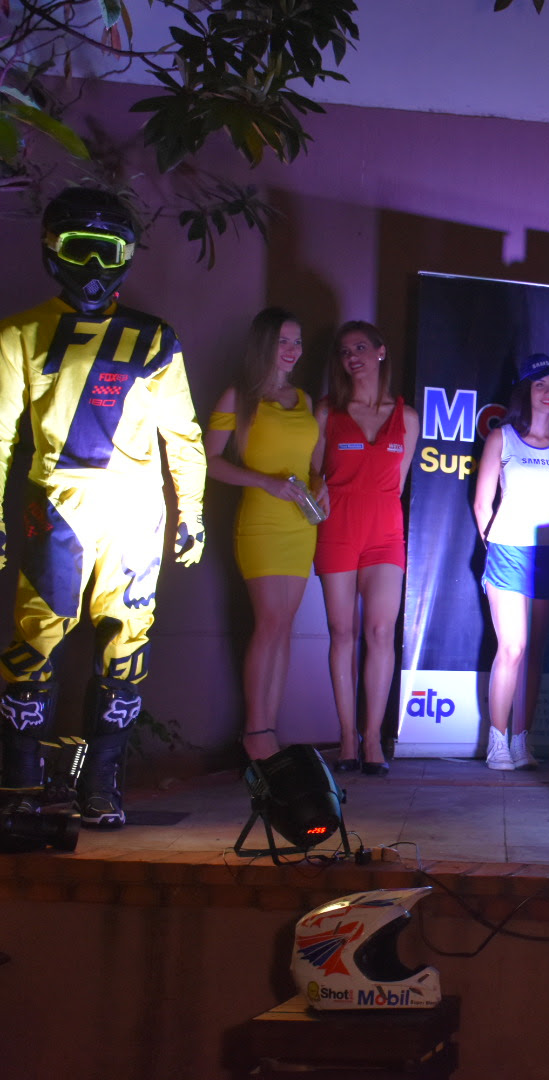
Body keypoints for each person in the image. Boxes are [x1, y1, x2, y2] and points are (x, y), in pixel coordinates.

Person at [0, 187, 207, 827]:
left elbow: (184, 434)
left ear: (126, 256)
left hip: (134, 513)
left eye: (106, 251)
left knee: (125, 646)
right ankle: (20, 785)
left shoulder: (156, 338)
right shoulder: (20, 334)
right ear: (51, 250)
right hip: (59, 507)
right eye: (78, 248)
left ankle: (100, 788)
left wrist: (192, 511)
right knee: (37, 641)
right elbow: (0, 432)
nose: (91, 266)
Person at [204, 308, 321, 764]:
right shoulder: (239, 396)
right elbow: (210, 461)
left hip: (301, 524)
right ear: (264, 344)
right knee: (269, 622)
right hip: (261, 522)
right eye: (283, 341)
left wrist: (322, 486)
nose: (292, 350)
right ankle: (254, 733)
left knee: (285, 627)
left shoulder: (304, 399)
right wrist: (264, 482)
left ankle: (269, 727)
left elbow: (314, 464)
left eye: (297, 342)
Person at [311, 321, 420, 776]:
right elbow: (313, 475)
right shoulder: (327, 411)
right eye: (344, 351)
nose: (351, 357)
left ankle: (373, 737)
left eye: (359, 347)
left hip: (385, 533)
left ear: (380, 352)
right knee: (342, 634)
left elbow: (399, 482)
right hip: (337, 528)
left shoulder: (407, 417)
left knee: (379, 633)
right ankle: (346, 738)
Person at [472, 354, 549, 770]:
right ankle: (496, 741)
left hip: (548, 554)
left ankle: (521, 741)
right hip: (508, 550)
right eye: (540, 385)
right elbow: (482, 504)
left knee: (535, 652)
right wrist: (496, 547)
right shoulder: (503, 437)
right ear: (525, 391)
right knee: (512, 646)